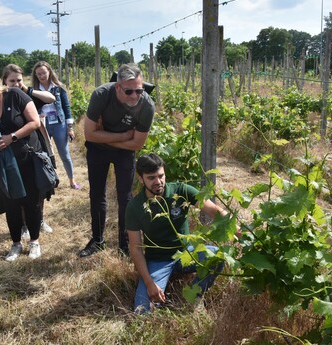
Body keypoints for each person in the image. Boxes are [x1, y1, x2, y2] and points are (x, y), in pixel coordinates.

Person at [126, 154, 225, 313]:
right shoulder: (135, 207)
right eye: (151, 178)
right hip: (158, 261)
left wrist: (241, 233)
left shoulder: (180, 191)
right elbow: (136, 249)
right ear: (140, 179)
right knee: (142, 312)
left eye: (161, 176)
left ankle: (194, 297)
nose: (158, 182)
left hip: (187, 254)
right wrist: (149, 283)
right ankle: (157, 286)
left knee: (218, 257)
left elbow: (216, 211)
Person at [0, 68, 49, 262]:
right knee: (11, 203)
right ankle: (15, 244)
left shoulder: (15, 95)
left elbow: (34, 122)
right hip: (2, 166)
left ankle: (35, 242)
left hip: (27, 158)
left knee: (32, 202)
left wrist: (12, 137)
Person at [79, 63, 155, 257]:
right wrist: (123, 136)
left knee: (125, 197)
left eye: (139, 90)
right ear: (117, 87)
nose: (135, 96)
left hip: (124, 153)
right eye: (129, 91)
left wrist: (103, 134)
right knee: (97, 195)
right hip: (97, 150)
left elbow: (137, 144)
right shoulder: (101, 95)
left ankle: (125, 245)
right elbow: (89, 134)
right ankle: (97, 240)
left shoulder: (146, 105)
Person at [1, 64, 55, 237]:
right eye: (12, 81)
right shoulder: (2, 99)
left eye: (19, 80)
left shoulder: (26, 95)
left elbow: (51, 98)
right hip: (15, 148)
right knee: (20, 187)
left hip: (36, 144)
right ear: (4, 81)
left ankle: (39, 219)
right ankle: (24, 224)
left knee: (40, 185)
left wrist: (28, 90)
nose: (16, 84)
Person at [31, 61, 79, 190]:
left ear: (49, 72)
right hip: (42, 124)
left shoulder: (58, 87)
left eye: (44, 73)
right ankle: (50, 180)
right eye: (39, 74)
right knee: (45, 154)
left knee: (64, 153)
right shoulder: (34, 90)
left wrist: (70, 127)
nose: (42, 76)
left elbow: (66, 107)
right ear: (35, 75)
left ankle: (71, 180)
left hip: (59, 123)